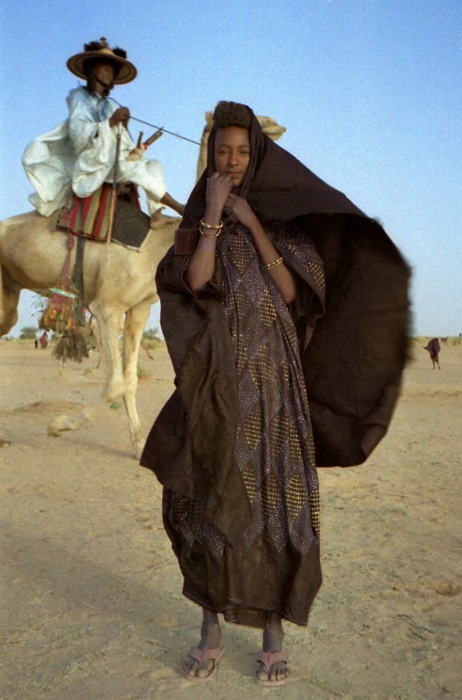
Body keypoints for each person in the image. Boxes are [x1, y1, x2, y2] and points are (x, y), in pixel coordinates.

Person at [140, 101, 410, 685]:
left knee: (276, 504)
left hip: (276, 389)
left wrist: (255, 223)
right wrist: (213, 212)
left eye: (242, 152)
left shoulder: (286, 229)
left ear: (257, 157)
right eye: (222, 152)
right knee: (205, 500)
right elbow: (196, 282)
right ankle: (210, 629)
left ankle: (272, 633)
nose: (232, 161)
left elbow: (290, 291)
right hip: (215, 385)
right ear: (210, 156)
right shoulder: (194, 226)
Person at [23, 38, 184, 223]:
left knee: (154, 165)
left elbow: (118, 136)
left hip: (112, 156)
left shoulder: (108, 105)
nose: (110, 74)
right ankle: (179, 207)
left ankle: (156, 214)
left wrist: (123, 126)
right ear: (93, 69)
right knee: (134, 170)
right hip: (93, 160)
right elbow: (78, 132)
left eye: (112, 71)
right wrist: (112, 121)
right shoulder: (79, 97)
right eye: (106, 69)